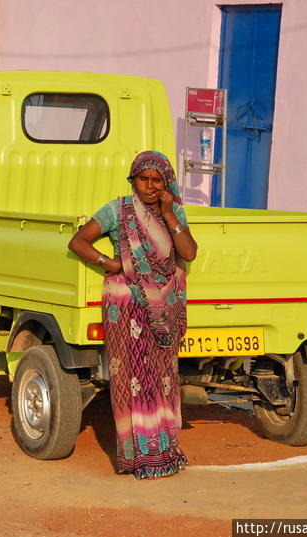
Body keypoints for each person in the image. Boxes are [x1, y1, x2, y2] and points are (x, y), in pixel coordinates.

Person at [68, 151, 197, 479]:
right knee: (132, 380)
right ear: (133, 179)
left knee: (163, 378)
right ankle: (136, 456)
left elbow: (189, 252)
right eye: (143, 179)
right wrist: (108, 263)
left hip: (164, 311)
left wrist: (169, 214)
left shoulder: (174, 211)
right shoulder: (118, 209)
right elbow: (79, 241)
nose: (150, 186)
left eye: (157, 180)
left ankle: (165, 450)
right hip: (126, 307)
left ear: (167, 183)